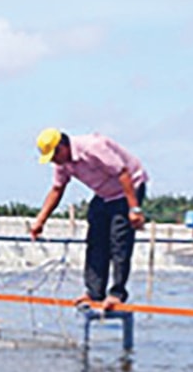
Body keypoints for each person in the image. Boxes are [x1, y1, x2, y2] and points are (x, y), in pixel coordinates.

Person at [29, 128, 147, 306]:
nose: (54, 161)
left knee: (119, 241)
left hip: (129, 187)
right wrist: (40, 221)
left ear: (63, 146)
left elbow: (123, 173)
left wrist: (134, 210)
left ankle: (117, 293)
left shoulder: (93, 147)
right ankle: (94, 292)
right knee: (95, 242)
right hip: (104, 194)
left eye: (54, 155)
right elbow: (57, 189)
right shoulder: (62, 163)